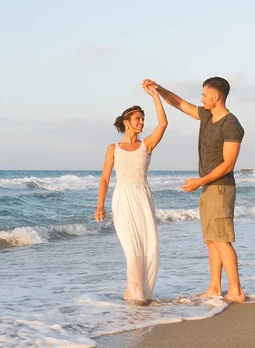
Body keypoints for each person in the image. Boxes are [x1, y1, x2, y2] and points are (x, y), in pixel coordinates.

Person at [143, 77, 245, 303]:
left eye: (204, 95)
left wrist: (200, 181)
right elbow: (178, 103)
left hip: (220, 187)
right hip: (208, 186)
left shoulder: (231, 125)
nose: (201, 99)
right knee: (211, 240)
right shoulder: (207, 115)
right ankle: (215, 288)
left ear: (216, 97)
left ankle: (236, 291)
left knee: (222, 239)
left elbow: (228, 164)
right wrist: (158, 89)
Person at [95, 81, 168, 305]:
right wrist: (100, 205)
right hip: (123, 199)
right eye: (138, 119)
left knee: (149, 248)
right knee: (132, 250)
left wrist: (155, 96)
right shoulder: (113, 149)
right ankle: (137, 298)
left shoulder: (147, 145)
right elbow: (105, 178)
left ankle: (132, 293)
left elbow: (163, 124)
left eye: (143, 119)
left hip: (143, 199)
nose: (142, 123)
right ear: (126, 123)